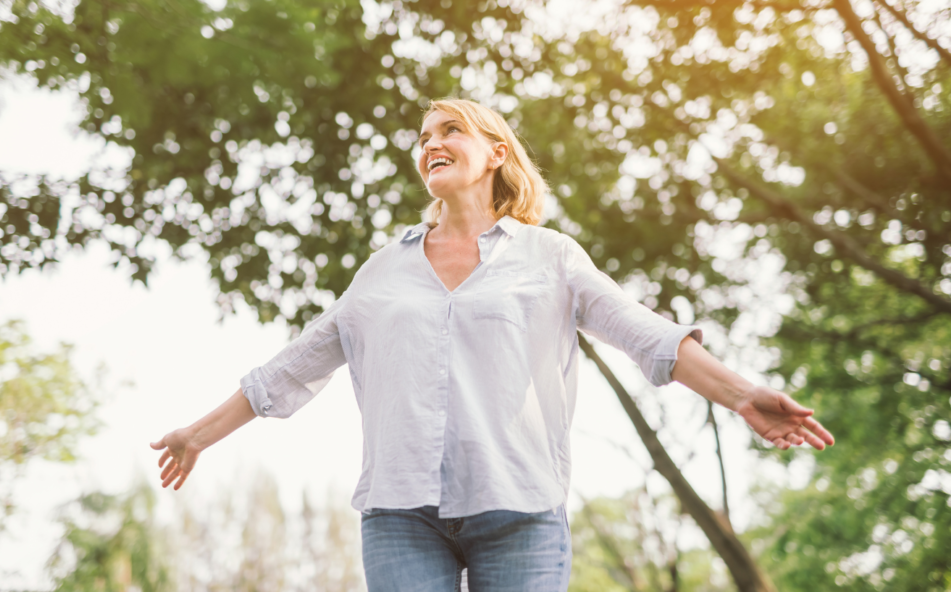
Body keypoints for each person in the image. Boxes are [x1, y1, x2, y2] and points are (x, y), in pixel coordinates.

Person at [151, 98, 835, 591]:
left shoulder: (550, 257)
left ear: (496, 153)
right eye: (423, 137)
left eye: (450, 130)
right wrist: (198, 435)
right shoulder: (383, 271)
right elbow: (292, 367)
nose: (430, 144)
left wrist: (743, 393)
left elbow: (645, 333)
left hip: (521, 512)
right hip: (401, 516)